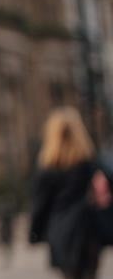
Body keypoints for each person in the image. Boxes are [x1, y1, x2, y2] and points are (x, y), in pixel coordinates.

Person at [30, 107, 110, 279]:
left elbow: (40, 204)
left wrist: (35, 233)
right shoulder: (90, 164)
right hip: (88, 228)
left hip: (61, 230)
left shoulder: (47, 170)